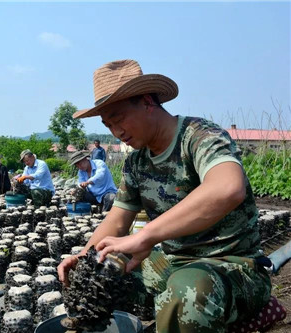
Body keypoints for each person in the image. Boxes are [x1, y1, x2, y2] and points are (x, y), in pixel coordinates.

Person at [57, 59, 271, 333]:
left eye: (119, 118)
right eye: (108, 124)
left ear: (147, 101)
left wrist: (147, 236)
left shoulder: (200, 137)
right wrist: (85, 257)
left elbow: (228, 188)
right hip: (169, 263)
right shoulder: (136, 163)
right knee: (92, 278)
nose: (117, 132)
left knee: (187, 292)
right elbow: (118, 220)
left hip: (231, 266)